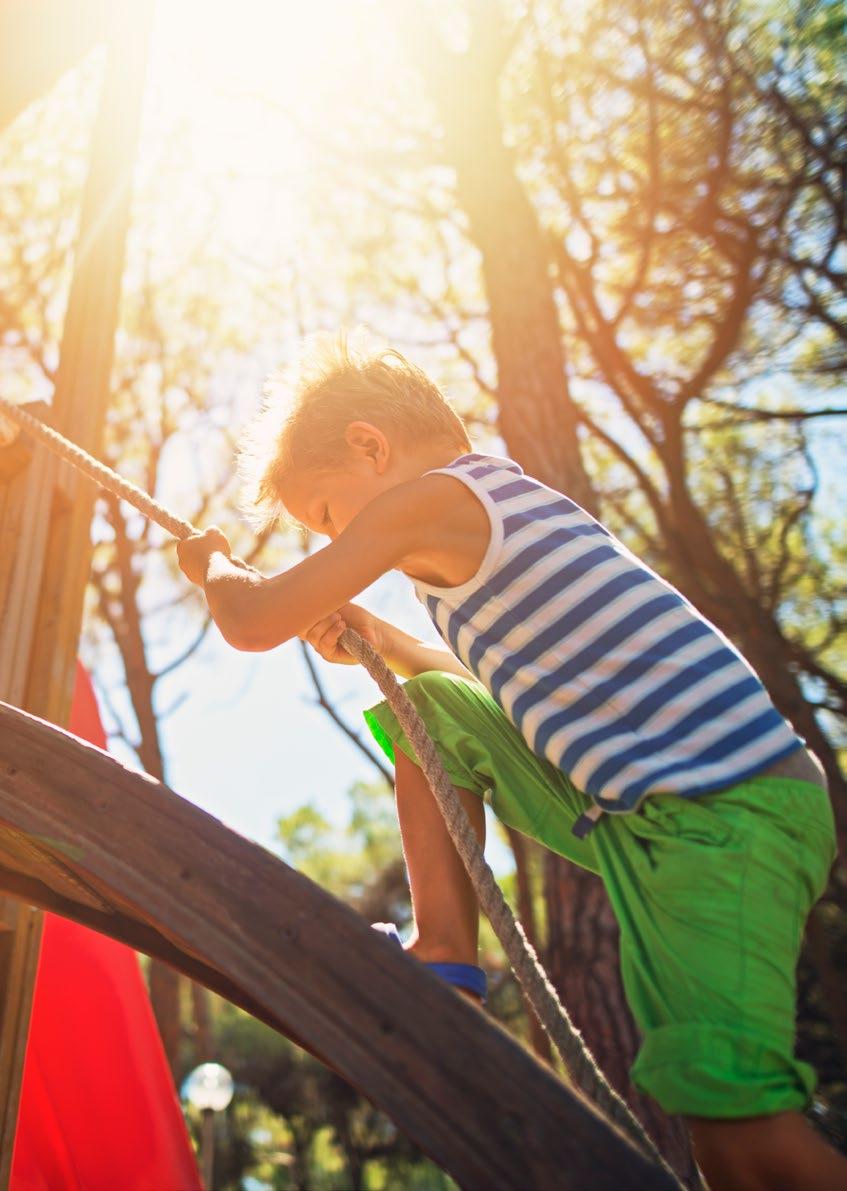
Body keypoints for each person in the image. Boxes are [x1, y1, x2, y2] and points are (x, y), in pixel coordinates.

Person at [177, 339, 844, 1190]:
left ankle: (451, 945)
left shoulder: (433, 498)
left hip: (722, 806)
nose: (341, 540)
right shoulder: (494, 519)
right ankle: (448, 950)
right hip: (648, 814)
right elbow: (499, 698)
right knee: (712, 1131)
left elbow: (255, 617)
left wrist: (216, 566)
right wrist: (387, 641)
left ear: (370, 446)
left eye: (329, 515)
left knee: (747, 1124)